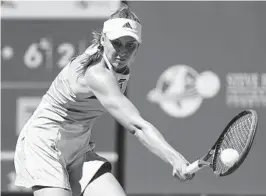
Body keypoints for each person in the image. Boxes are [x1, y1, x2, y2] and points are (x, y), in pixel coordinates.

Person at [14, 3, 194, 196]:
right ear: (103, 39)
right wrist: (174, 158)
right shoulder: (97, 74)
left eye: (130, 45)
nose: (122, 51)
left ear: (138, 46)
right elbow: (137, 126)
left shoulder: (116, 66)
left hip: (78, 147)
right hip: (44, 144)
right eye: (116, 43)